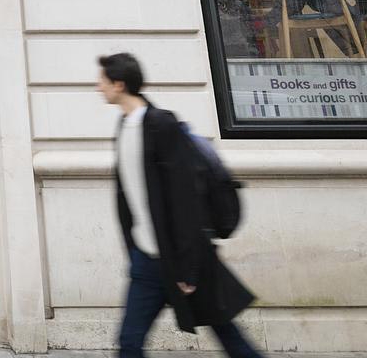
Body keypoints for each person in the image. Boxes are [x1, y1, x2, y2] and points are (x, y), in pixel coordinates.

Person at [96, 53, 262, 358]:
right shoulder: (124, 125)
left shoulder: (160, 124)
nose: (98, 87)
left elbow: (184, 199)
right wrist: (135, 251)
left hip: (183, 258)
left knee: (231, 339)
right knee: (129, 342)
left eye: (102, 81)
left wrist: (188, 267)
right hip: (147, 259)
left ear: (119, 84)